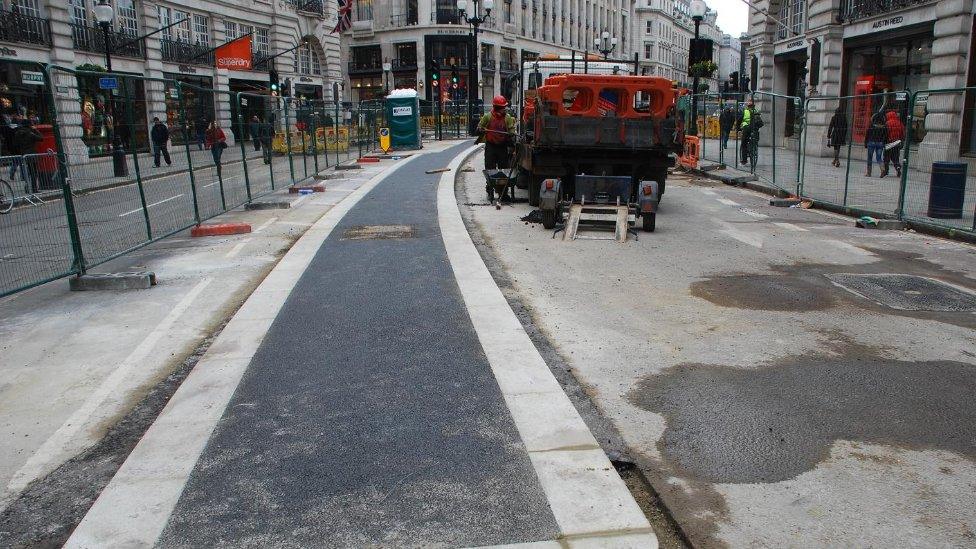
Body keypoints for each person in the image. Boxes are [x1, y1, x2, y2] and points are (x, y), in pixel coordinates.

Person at [477, 95, 516, 202]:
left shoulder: (507, 118)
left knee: (504, 170)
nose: (505, 109)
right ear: (497, 108)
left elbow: (512, 131)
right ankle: (490, 189)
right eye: (503, 107)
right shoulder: (487, 117)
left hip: (502, 147)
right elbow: (479, 127)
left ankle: (503, 193)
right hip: (491, 147)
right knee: (490, 169)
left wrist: (512, 134)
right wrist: (480, 129)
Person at [10, 119, 42, 192]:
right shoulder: (30, 133)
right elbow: (41, 138)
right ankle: (34, 189)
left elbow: (15, 145)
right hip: (31, 154)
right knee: (33, 172)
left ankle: (27, 187)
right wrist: (36, 130)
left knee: (28, 172)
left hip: (23, 154)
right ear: (29, 125)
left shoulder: (17, 133)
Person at [882, 110, 905, 178]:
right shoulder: (900, 123)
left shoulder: (887, 123)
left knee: (886, 158)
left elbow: (885, 134)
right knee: (895, 158)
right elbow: (903, 134)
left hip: (889, 143)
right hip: (897, 143)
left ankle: (886, 171)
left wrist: (884, 142)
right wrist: (901, 140)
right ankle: (897, 167)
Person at [864, 113, 887, 177]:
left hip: (871, 142)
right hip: (880, 143)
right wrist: (884, 143)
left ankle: (869, 173)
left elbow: (867, 135)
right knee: (879, 157)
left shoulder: (871, 125)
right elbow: (885, 136)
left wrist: (865, 143)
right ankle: (882, 169)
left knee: (870, 158)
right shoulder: (884, 127)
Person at [739, 101, 755, 165]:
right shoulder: (756, 111)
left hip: (747, 128)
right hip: (754, 129)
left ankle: (744, 161)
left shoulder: (745, 111)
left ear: (747, 106)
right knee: (753, 139)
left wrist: (738, 129)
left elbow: (739, 120)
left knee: (744, 144)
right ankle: (753, 148)